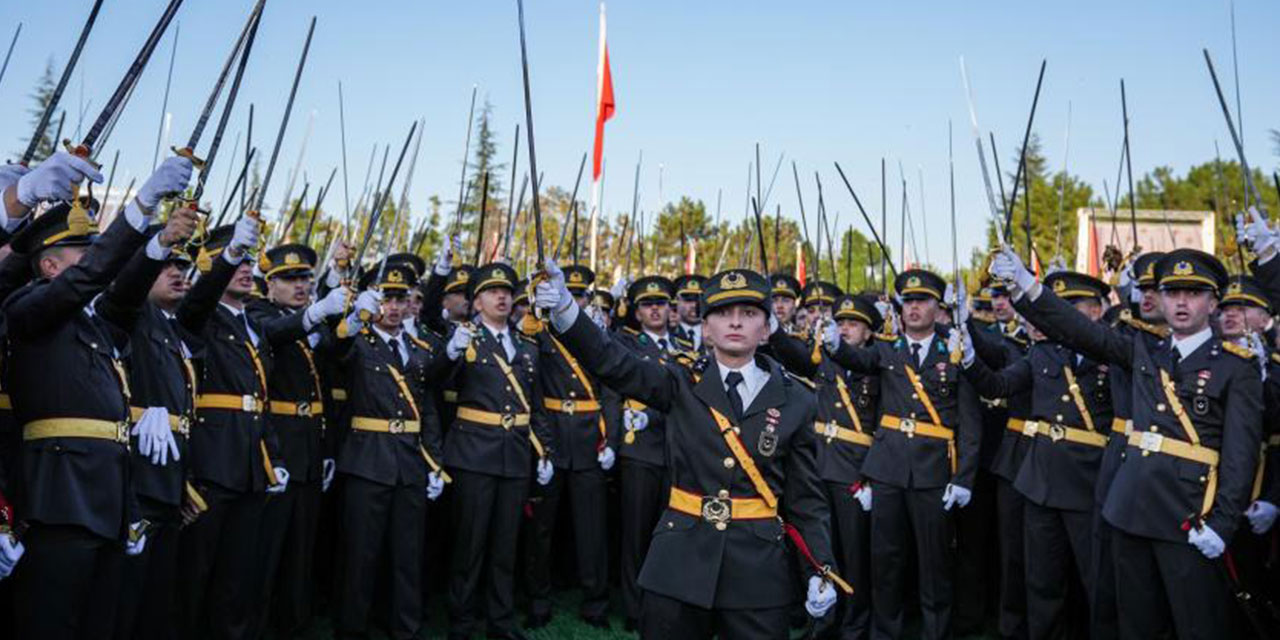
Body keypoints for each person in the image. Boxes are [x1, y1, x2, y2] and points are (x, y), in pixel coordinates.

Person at [537, 262, 842, 640]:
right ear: (706, 328)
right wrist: (565, 308)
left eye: (749, 313)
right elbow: (612, 361)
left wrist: (820, 568)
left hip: (757, 570)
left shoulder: (797, 399)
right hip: (679, 561)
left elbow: (806, 500)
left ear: (766, 330)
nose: (735, 322)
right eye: (723, 313)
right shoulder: (680, 382)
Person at [991, 246, 1263, 639]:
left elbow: (1240, 455)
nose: (1181, 302)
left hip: (1189, 513)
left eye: (1193, 293)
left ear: (1213, 303)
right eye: (1172, 293)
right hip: (1130, 509)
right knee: (1136, 624)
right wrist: (1026, 286)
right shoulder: (1144, 350)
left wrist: (1222, 523)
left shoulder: (1235, 366)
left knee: (1197, 624)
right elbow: (1078, 330)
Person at [3, 153, 195, 638]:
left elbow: (124, 292)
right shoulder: (27, 307)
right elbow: (88, 279)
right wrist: (140, 204)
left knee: (100, 623)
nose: (93, 259)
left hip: (109, 497)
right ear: (50, 266)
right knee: (52, 622)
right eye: (80, 251)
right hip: (59, 497)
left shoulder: (96, 323)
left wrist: (157, 243)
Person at [822, 268, 982, 640]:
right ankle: (885, 633)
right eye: (907, 301)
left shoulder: (954, 349)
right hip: (888, 470)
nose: (913, 307)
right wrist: (835, 345)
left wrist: (964, 478)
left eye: (922, 300)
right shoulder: (885, 349)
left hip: (933, 472)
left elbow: (971, 425)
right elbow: (857, 360)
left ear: (937, 306)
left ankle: (935, 633)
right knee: (885, 562)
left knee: (935, 565)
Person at [960, 271, 1116, 639]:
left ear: (1097, 311)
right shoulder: (1043, 352)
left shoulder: (1113, 352)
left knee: (1098, 581)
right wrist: (969, 360)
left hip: (1090, 480)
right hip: (1041, 481)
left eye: (1072, 306)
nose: (1059, 314)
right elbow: (999, 385)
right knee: (1041, 581)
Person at [178, 215, 290, 638]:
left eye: (248, 260)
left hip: (249, 463)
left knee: (237, 577)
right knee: (195, 574)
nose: (246, 268)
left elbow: (260, 400)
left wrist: (272, 457)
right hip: (212, 461)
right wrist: (227, 256)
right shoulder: (200, 316)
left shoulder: (253, 326)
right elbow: (196, 301)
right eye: (235, 260)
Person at [333, 260, 450, 640]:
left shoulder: (417, 349)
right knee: (361, 555)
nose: (395, 307)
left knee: (407, 555)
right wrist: (354, 318)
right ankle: (353, 629)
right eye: (386, 298)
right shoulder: (357, 342)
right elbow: (334, 351)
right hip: (367, 460)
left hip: (409, 463)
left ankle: (405, 628)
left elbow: (427, 410)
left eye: (401, 298)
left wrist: (434, 462)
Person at [442, 262, 555, 640]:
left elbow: (535, 405)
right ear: (476, 302)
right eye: (492, 292)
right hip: (474, 453)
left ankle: (501, 621)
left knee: (505, 546)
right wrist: (451, 352)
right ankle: (462, 621)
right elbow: (435, 380)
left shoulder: (527, 345)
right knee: (469, 545)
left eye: (506, 291)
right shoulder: (464, 338)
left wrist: (545, 451)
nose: (502, 297)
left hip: (514, 455)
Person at [247, 243, 351, 637]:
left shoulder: (313, 322)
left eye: (305, 278)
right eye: (289, 279)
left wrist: (348, 319)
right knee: (266, 551)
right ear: (270, 285)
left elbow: (331, 372)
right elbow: (274, 334)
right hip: (276, 447)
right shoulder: (258, 312)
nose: (300, 285)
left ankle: (294, 625)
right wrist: (315, 313)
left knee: (301, 552)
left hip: (309, 448)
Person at [768, 293, 883, 639]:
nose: (845, 329)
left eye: (854, 324)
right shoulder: (822, 357)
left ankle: (854, 626)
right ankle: (822, 623)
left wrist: (871, 476)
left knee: (854, 556)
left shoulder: (879, 364)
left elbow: (886, 425)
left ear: (869, 332)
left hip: (855, 473)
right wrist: (773, 328)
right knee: (819, 554)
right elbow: (791, 355)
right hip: (818, 465)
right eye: (841, 322)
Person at [523, 264, 618, 630]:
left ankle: (596, 602)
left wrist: (610, 440)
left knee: (592, 529)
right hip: (552, 436)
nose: (575, 301)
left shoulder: (595, 336)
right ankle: (538, 599)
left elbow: (610, 390)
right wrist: (541, 445)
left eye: (580, 296)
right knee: (541, 528)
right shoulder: (539, 332)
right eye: (570, 294)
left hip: (590, 439)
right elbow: (531, 389)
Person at [611, 275, 680, 631]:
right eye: (647, 305)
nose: (655, 310)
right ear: (636, 312)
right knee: (636, 535)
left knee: (671, 536)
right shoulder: (627, 344)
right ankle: (635, 608)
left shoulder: (684, 346)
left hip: (677, 450)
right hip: (641, 449)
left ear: (670, 309)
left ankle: (665, 605)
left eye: (661, 303)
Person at [672, 274, 707, 352]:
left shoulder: (715, 334)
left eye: (699, 300)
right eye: (688, 300)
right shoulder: (667, 333)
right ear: (677, 301)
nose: (694, 305)